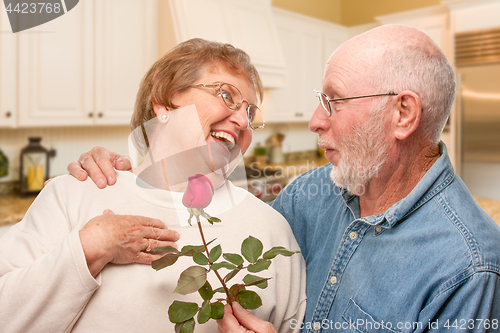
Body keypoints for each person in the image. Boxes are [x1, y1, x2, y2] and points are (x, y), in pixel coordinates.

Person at [69, 24, 500, 332]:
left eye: (334, 102)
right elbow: (229, 231)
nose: (314, 121)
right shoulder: (310, 196)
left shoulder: (470, 269)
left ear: (402, 114)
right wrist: (136, 167)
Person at [0, 38, 306, 333]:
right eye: (226, 96)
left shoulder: (272, 230)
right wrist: (91, 247)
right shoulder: (74, 194)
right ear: (164, 106)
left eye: (251, 112)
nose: (242, 120)